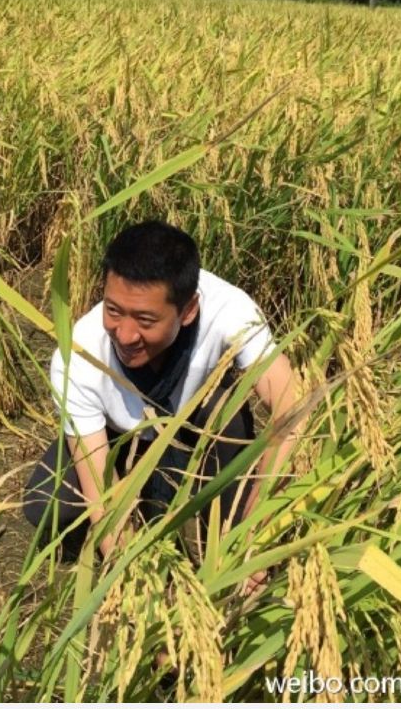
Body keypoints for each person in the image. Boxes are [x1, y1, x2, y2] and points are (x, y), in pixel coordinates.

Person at [23, 221, 300, 565]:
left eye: (145, 320)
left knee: (227, 411)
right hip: (116, 439)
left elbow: (293, 405)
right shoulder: (78, 354)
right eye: (113, 311)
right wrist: (134, 575)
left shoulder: (230, 310)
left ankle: (222, 522)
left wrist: (259, 522)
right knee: (46, 503)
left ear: (188, 311)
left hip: (192, 425)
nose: (124, 335)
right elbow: (100, 489)